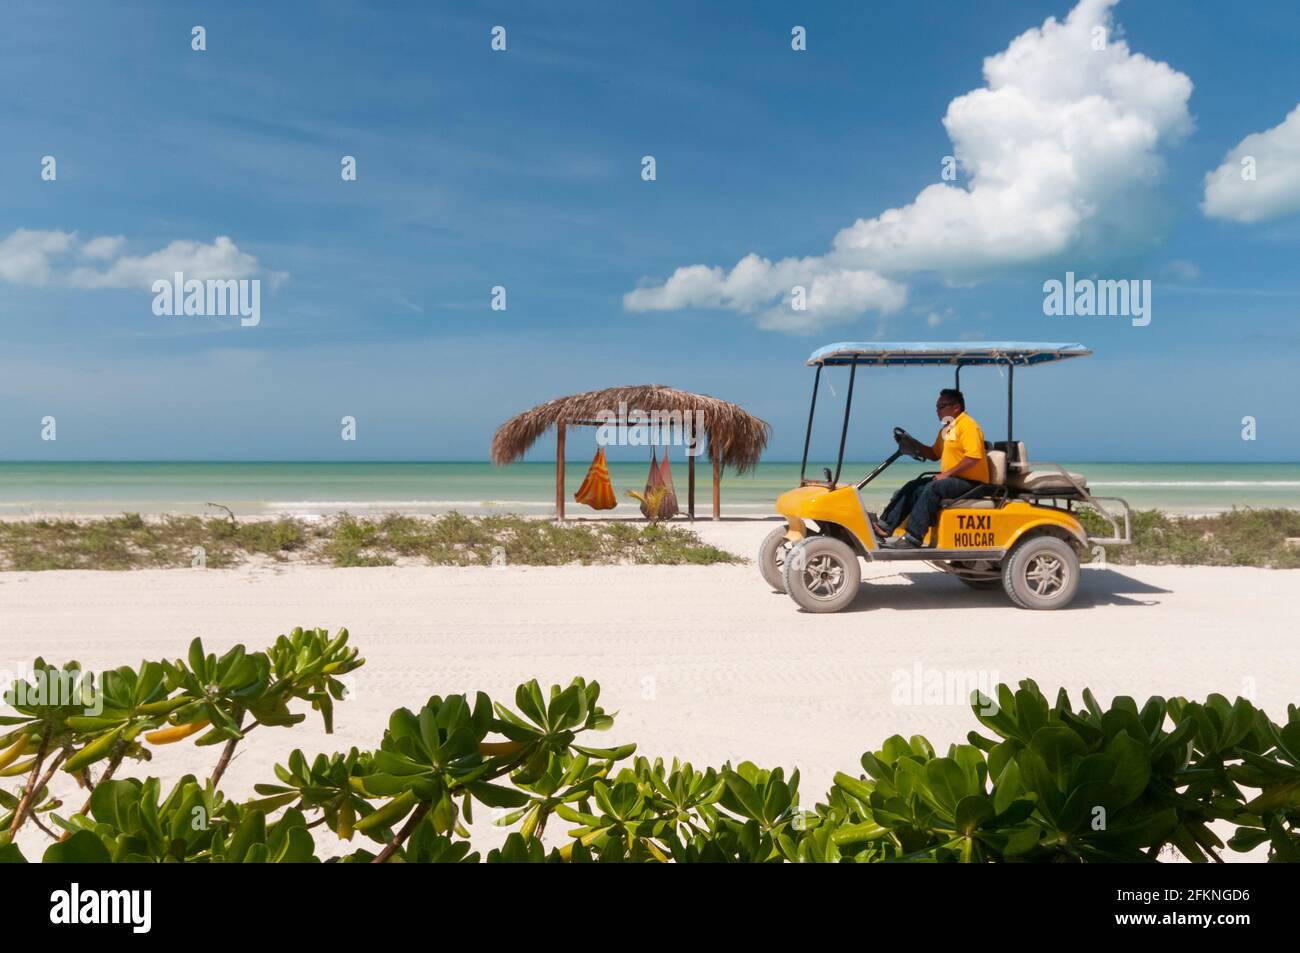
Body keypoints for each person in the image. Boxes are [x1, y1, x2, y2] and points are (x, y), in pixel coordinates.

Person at [876, 389, 990, 549]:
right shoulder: (947, 429)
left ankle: (913, 537)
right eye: (937, 407)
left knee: (933, 487)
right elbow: (934, 454)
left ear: (956, 407)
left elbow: (973, 457)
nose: (937, 411)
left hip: (972, 483)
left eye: (941, 406)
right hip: (953, 479)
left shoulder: (968, 426)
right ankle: (884, 527)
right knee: (913, 486)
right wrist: (914, 444)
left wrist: (947, 474)